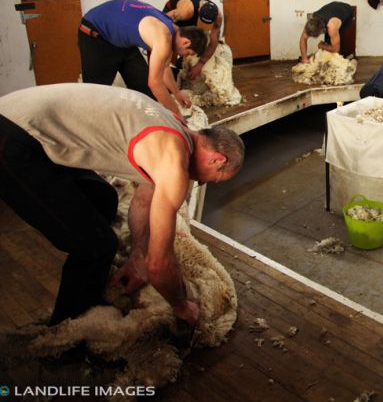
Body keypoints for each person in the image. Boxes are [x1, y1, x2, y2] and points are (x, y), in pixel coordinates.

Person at [0, 83, 245, 326]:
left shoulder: (175, 127)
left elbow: (143, 200)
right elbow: (159, 264)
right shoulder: (173, 162)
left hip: (19, 115)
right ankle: (70, 328)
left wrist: (138, 256)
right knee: (98, 245)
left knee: (104, 198)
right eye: (211, 179)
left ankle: (90, 277)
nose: (201, 182)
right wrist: (181, 306)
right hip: (12, 139)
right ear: (216, 159)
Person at [79, 0, 208, 118]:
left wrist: (176, 93)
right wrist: (176, 114)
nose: (185, 56)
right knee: (95, 95)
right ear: (186, 42)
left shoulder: (173, 31)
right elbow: (154, 83)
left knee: (145, 94)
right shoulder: (163, 38)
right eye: (189, 53)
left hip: (122, 40)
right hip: (96, 32)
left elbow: (165, 67)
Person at [163, 0, 223, 80]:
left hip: (191, 20)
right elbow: (161, 23)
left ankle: (180, 69)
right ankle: (171, 73)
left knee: (195, 46)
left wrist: (200, 65)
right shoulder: (186, 10)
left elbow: (213, 43)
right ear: (199, 10)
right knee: (170, 44)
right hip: (173, 16)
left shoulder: (218, 17)